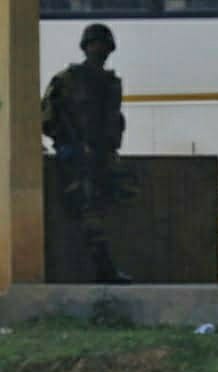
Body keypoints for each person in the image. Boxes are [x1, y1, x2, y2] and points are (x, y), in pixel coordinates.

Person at [41, 23, 132, 284]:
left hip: (102, 156)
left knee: (107, 202)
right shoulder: (66, 80)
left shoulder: (110, 83)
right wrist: (70, 144)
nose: (101, 51)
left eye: (105, 47)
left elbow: (114, 121)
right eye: (96, 45)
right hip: (77, 157)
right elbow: (47, 117)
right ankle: (104, 269)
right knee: (88, 209)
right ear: (87, 47)